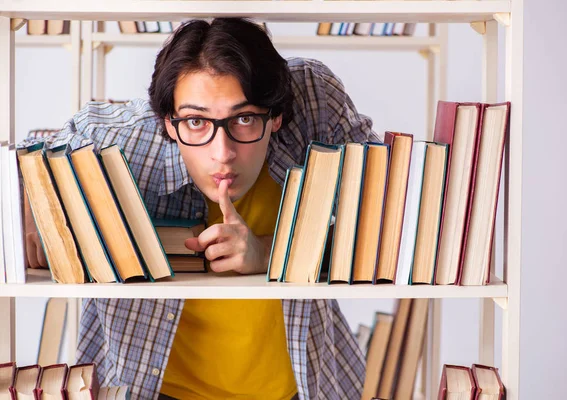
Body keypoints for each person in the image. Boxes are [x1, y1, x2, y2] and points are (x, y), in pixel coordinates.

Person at [22, 18, 379, 400]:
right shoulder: (119, 142)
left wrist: (268, 253)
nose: (222, 153)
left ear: (275, 116)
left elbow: (385, 222)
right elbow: (30, 156)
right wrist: (47, 232)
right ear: (168, 123)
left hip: (302, 386)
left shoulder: (310, 104)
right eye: (195, 121)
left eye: (244, 119)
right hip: (149, 389)